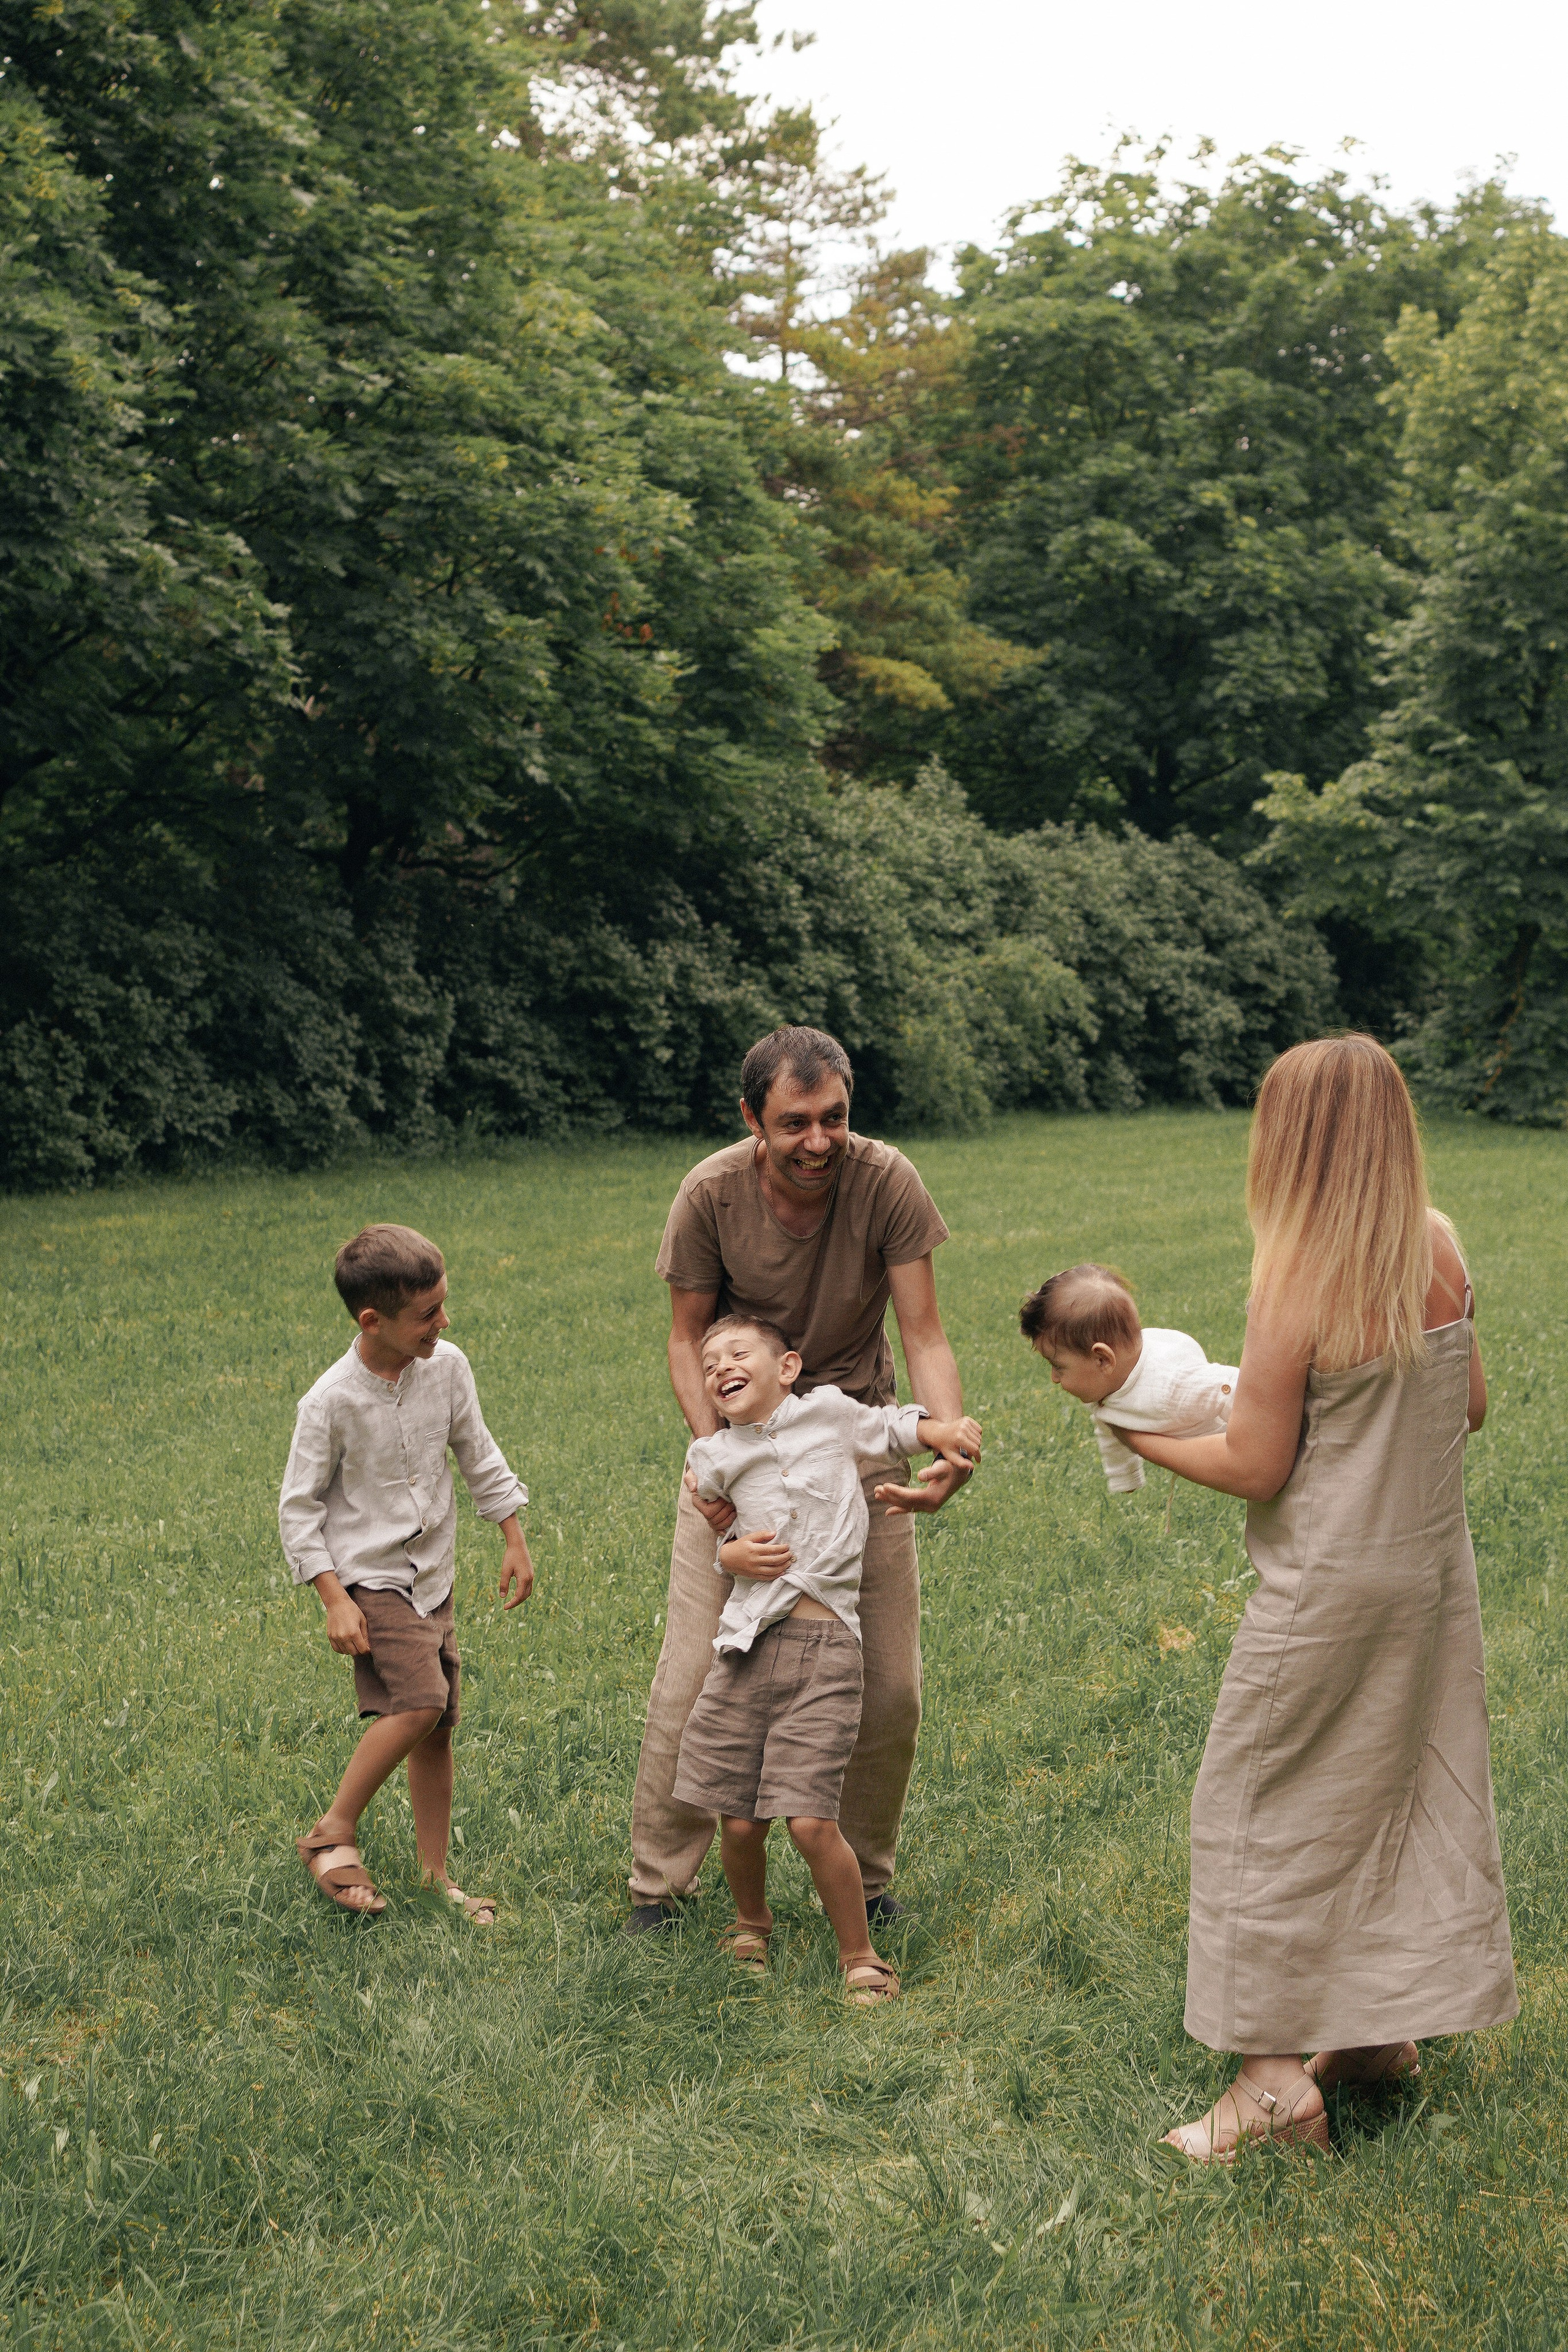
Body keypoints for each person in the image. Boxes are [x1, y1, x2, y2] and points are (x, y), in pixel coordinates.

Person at [1112, 1037, 1517, 2161]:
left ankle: (1272, 2085)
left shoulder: (1297, 1269)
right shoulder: (1439, 1245)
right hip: (1431, 1578)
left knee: (1257, 1810)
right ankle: (1381, 2034)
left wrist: (1137, 1427)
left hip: (1330, 1586)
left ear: (1290, 1138)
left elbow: (1254, 1462)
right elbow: (1468, 1405)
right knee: (1400, 1790)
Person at [626, 1024, 976, 1935]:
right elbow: (683, 1339)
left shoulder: (887, 1180)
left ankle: (863, 1880)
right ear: (754, 1120)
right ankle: (659, 1889)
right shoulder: (710, 1194)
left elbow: (924, 1332)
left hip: (852, 1456)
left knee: (889, 1687)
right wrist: (720, 1477)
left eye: (834, 1119)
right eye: (794, 1124)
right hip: (735, 1467)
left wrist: (946, 1452)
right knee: (693, 1677)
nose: (819, 1142)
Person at [671, 1314, 982, 2000]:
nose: (720, 1365)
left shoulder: (830, 1414)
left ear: (786, 1367)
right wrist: (731, 1554)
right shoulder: (712, 1457)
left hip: (824, 1645)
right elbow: (717, 1535)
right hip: (746, 1644)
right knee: (740, 1815)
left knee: (811, 1819)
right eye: (710, 1361)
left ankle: (859, 1955)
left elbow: (893, 1428)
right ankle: (751, 1921)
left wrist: (940, 1432)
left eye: (737, 1352)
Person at [279, 1223, 535, 1921]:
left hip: (434, 1577)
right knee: (419, 1704)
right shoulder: (329, 1402)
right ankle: (331, 1832)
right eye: (427, 1314)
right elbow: (297, 1511)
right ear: (373, 1321)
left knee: (440, 1725)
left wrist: (512, 1534)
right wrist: (333, 1599)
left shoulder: (446, 1366)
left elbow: (476, 1451)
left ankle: (433, 1874)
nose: (443, 1322)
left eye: (443, 1305)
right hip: (372, 1577)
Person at [1020, 1264, 1237, 1493]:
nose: (1054, 1378)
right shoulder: (1109, 1389)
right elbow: (1109, 1423)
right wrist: (1125, 1478)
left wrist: (1262, 1430)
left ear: (1102, 1360)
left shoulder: (1170, 1388)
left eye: (1058, 1367)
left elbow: (1230, 1387)